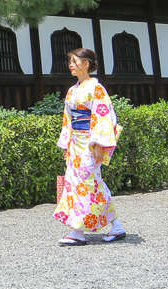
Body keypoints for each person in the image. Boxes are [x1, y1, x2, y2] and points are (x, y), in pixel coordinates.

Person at [53, 47, 126, 246]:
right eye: (70, 62)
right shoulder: (72, 90)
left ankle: (77, 231)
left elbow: (103, 116)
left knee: (85, 184)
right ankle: (116, 226)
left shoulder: (96, 88)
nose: (71, 65)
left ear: (86, 64)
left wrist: (97, 143)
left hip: (90, 143)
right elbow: (68, 119)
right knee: (86, 183)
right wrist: (67, 143)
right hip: (76, 143)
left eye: (75, 62)